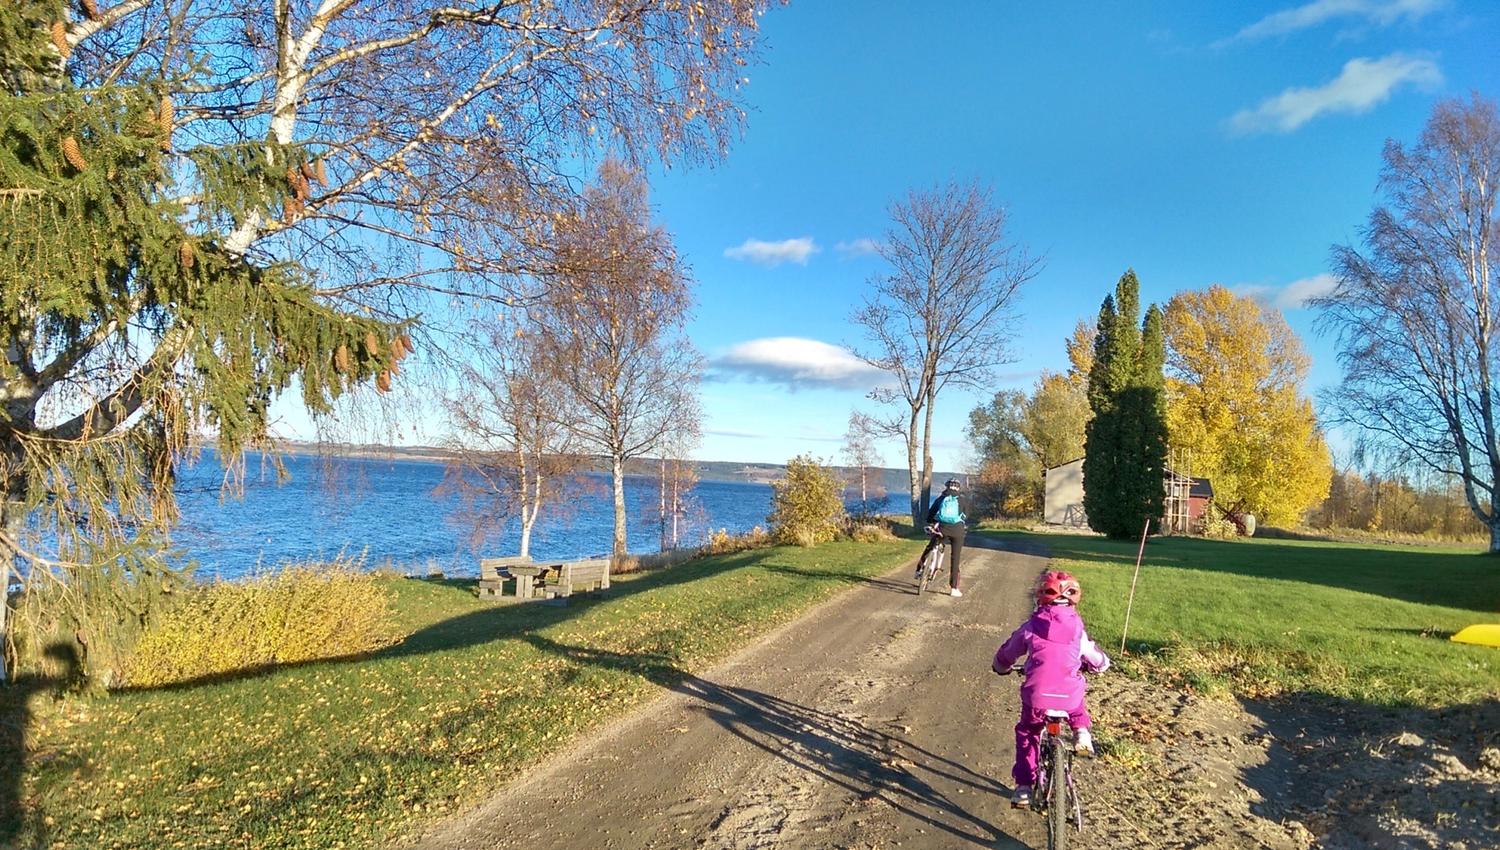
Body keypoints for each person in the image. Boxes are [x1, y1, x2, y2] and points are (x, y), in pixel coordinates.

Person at [991, 570, 1110, 808]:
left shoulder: (1031, 627)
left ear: (1040, 597)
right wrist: (1102, 665)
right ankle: (1081, 734)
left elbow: (1008, 652)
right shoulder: (1078, 630)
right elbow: (1095, 658)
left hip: (1037, 696)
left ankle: (1024, 788)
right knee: (1075, 696)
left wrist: (1000, 666)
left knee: (1028, 733)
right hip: (1068, 697)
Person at [916, 477, 968, 597]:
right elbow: (966, 515)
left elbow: (931, 514)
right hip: (957, 531)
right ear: (958, 488)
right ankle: (954, 588)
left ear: (947, 486)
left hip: (942, 529)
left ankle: (919, 570)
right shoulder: (962, 500)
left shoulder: (941, 498)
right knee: (955, 558)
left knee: (931, 546)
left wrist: (931, 521)